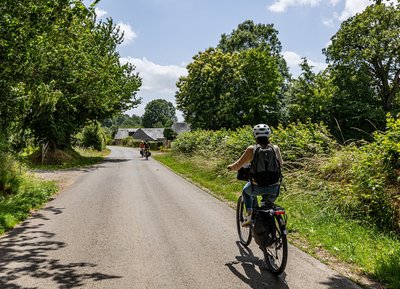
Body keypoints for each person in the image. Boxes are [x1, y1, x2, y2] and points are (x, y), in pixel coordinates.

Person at [228, 124, 283, 227]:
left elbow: (238, 165)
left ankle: (249, 214)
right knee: (267, 206)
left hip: (257, 187)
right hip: (274, 188)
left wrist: (231, 167)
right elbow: (281, 164)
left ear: (255, 135)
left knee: (245, 191)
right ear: (269, 135)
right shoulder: (275, 148)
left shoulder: (251, 149)